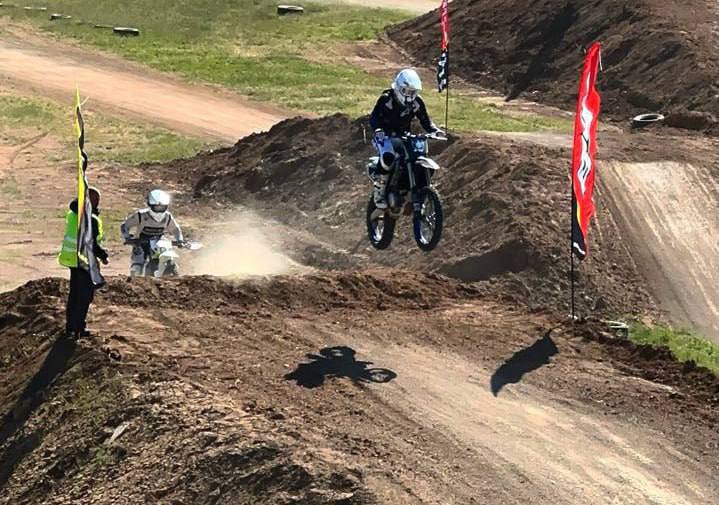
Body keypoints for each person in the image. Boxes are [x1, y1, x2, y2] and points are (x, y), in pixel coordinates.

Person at [369, 68, 443, 208]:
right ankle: (380, 189)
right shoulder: (386, 99)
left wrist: (435, 130)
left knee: (415, 156)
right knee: (388, 156)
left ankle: (415, 189)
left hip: (404, 136)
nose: (410, 96)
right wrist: (378, 129)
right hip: (384, 136)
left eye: (413, 92)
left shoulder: (417, 103)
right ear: (398, 88)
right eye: (407, 91)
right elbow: (374, 117)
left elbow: (425, 120)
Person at [57, 187, 109, 340]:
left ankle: (71, 328)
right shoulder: (90, 219)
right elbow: (92, 244)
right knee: (84, 297)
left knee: (75, 295)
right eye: (97, 200)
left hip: (72, 260)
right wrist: (103, 256)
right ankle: (78, 328)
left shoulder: (73, 214)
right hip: (84, 262)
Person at [120, 189, 183, 276]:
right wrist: (128, 237)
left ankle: (173, 274)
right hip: (140, 242)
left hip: (159, 242)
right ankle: (135, 280)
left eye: (162, 207)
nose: (159, 210)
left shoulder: (167, 217)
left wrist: (180, 240)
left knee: (169, 258)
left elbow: (175, 229)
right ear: (150, 205)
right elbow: (125, 225)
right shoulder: (141, 215)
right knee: (137, 266)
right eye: (157, 207)